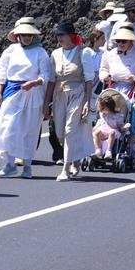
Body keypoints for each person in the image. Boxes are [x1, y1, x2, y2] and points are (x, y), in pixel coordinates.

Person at [0, 18, 54, 178]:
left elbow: (45, 75)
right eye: (23, 34)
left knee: (29, 129)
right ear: (18, 35)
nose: (27, 37)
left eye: (29, 35)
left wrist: (33, 83)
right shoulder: (11, 50)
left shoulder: (40, 52)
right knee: (7, 127)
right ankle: (10, 164)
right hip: (13, 92)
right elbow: (2, 72)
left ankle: (27, 166)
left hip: (32, 94)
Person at [49, 21, 101, 179]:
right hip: (59, 95)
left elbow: (89, 79)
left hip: (78, 93)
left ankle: (65, 168)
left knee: (70, 130)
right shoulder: (55, 54)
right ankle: (76, 158)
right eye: (57, 35)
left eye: (62, 35)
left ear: (71, 35)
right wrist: (47, 103)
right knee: (60, 132)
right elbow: (52, 79)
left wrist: (86, 101)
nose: (59, 38)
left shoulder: (83, 52)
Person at [90, 89, 130, 159]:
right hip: (104, 129)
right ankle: (98, 149)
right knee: (96, 133)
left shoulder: (118, 116)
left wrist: (124, 127)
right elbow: (100, 123)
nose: (102, 111)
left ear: (109, 107)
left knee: (111, 132)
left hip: (114, 131)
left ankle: (109, 150)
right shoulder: (103, 114)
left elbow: (120, 125)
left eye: (103, 108)